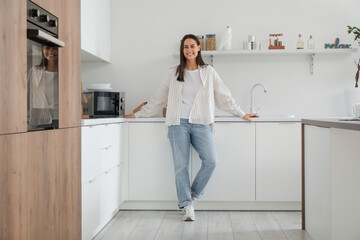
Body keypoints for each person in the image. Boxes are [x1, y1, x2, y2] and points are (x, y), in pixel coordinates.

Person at [123, 34, 258, 221]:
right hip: (178, 123)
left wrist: (241, 113)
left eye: (192, 46)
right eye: (186, 47)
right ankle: (186, 206)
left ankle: (191, 194)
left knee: (212, 161)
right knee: (181, 167)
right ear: (182, 50)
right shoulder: (173, 72)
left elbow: (224, 96)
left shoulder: (209, 72)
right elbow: (157, 98)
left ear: (199, 48)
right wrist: (137, 114)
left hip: (202, 122)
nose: (189, 50)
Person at [28, 45, 59, 129]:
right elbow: (28, 94)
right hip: (40, 117)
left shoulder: (66, 72)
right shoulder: (34, 71)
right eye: (48, 48)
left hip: (60, 117)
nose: (51, 51)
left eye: (55, 48)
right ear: (42, 49)